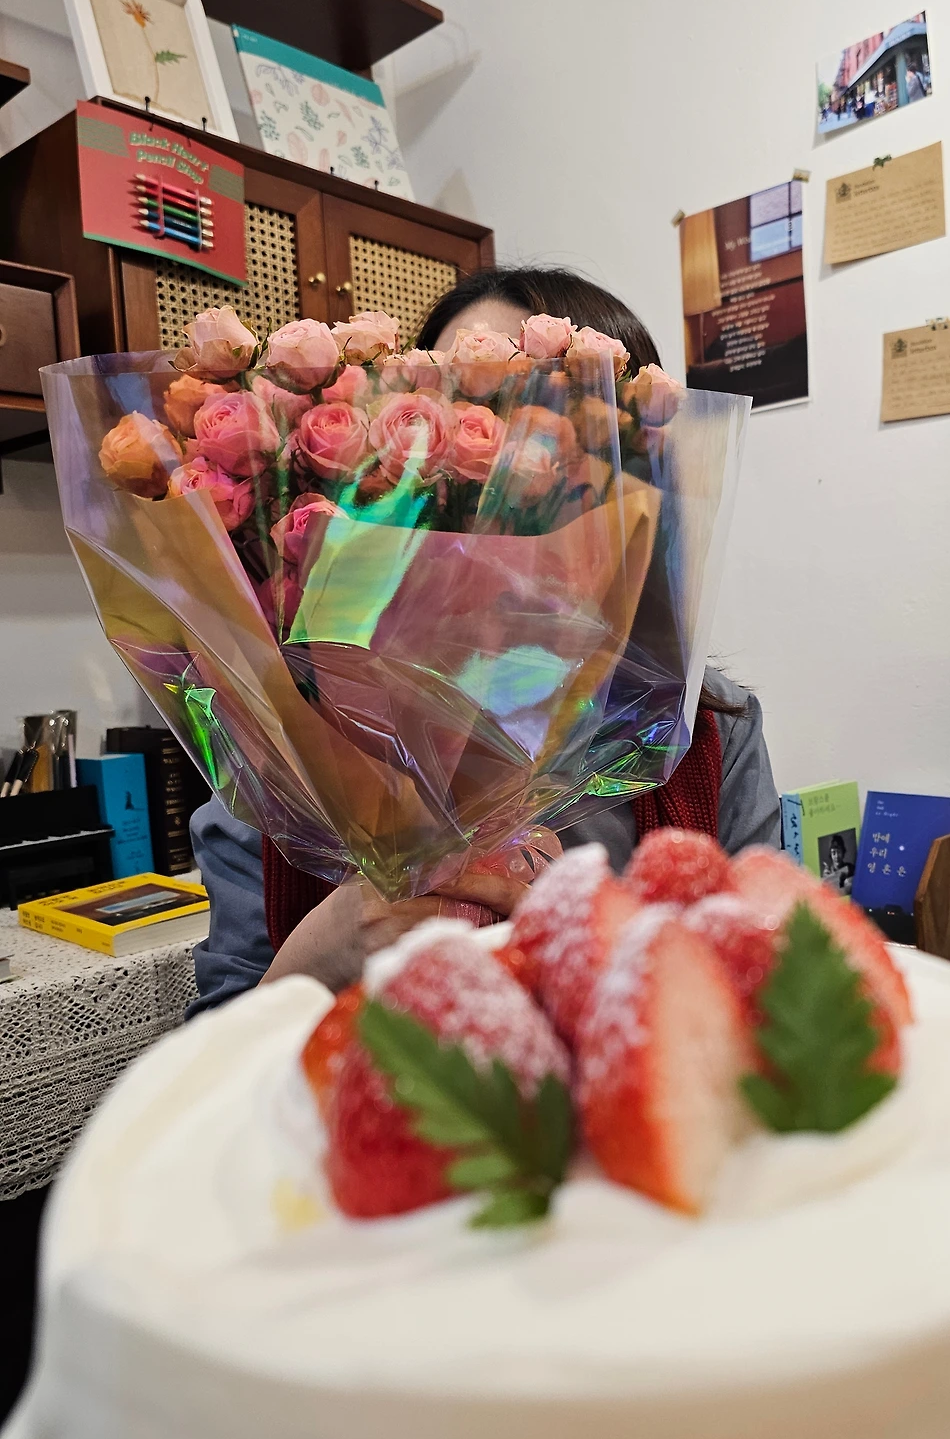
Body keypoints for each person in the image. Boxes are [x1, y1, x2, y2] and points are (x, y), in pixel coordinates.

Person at [187, 266, 780, 1013]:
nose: (487, 484)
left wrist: (608, 959)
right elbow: (213, 1054)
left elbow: (782, 997)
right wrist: (318, 960)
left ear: (627, 479)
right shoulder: (283, 743)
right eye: (442, 406)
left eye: (525, 414)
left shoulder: (707, 735)